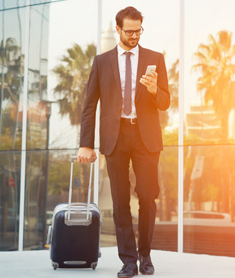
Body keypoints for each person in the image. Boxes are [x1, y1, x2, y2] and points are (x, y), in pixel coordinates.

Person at [77, 6, 170, 278]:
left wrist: (154, 90)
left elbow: (165, 102)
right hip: (115, 137)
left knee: (147, 196)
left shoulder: (155, 58)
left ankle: (145, 255)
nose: (134, 36)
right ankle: (128, 260)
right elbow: (89, 105)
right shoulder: (102, 62)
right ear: (118, 29)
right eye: (129, 31)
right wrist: (86, 143)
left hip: (145, 137)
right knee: (120, 202)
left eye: (138, 30)